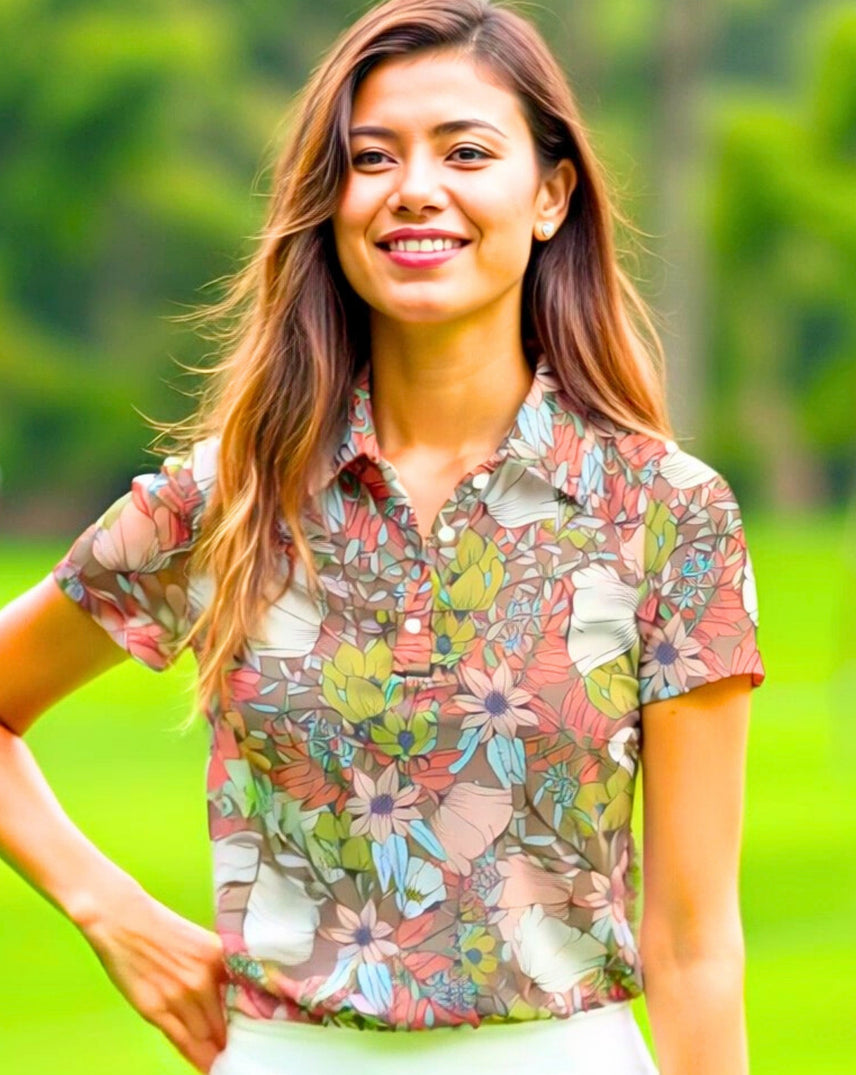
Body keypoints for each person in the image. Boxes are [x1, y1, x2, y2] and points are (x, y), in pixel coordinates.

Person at [0, 1, 767, 1073]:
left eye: (466, 152)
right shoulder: (231, 496)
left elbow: (692, 944)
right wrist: (112, 911)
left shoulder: (667, 513)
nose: (414, 187)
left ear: (549, 196)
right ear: (332, 202)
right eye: (372, 157)